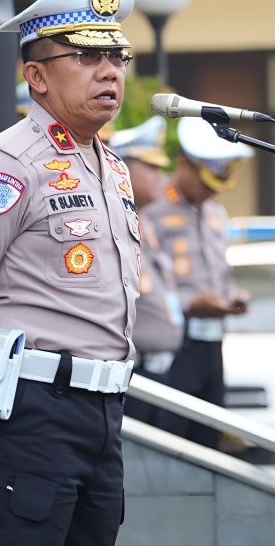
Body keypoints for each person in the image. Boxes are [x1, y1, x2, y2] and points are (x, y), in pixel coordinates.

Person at [0, 0, 141, 543]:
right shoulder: (10, 164)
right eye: (87, 57)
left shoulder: (111, 168)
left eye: (117, 54)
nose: (110, 71)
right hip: (26, 407)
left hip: (102, 412)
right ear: (36, 76)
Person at [143, 116, 253, 448]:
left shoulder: (215, 213)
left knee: (209, 435)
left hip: (213, 343)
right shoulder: (153, 208)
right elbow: (147, 276)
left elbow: (220, 273)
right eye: (206, 180)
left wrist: (231, 297)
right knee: (172, 439)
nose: (210, 190)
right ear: (184, 165)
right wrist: (192, 304)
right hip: (176, 346)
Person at [110, 117, 185, 426]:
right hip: (133, 373)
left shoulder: (147, 221)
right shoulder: (114, 219)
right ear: (123, 167)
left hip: (162, 371)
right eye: (151, 167)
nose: (162, 177)